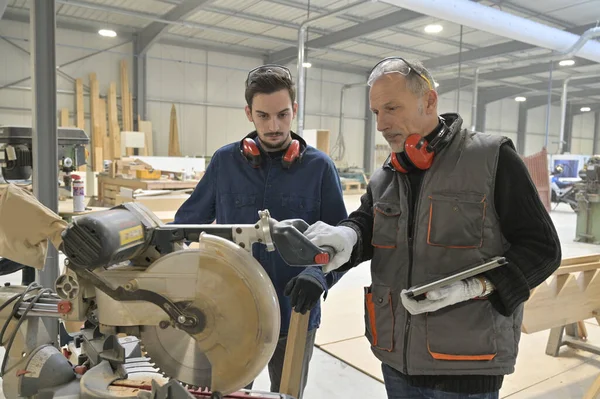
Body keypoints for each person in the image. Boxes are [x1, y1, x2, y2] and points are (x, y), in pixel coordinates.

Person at [301, 57, 562, 399]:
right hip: (396, 361)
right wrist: (348, 236)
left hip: (466, 366)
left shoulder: (491, 158)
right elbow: (369, 225)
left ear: (429, 101)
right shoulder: (387, 174)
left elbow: (543, 249)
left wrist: (478, 286)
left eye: (392, 108)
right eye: (376, 112)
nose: (381, 123)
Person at [173, 64, 348, 397]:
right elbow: (185, 225)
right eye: (263, 116)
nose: (274, 126)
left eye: (283, 115)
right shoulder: (224, 163)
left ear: (294, 110)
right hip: (231, 316)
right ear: (248, 114)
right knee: (225, 394)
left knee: (287, 394)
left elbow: (342, 240)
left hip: (294, 313)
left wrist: (318, 276)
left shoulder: (320, 169)